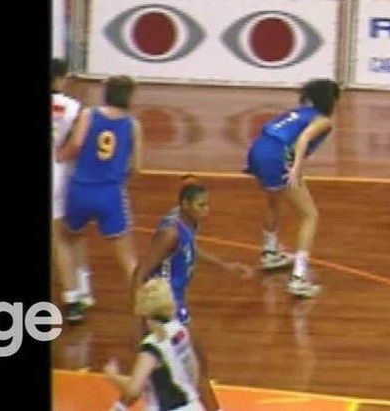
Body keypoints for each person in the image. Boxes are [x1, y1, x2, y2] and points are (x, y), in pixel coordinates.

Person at [133, 177, 253, 411]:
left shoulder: (187, 224)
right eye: (201, 205)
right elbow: (139, 272)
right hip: (165, 304)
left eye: (208, 205)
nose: (206, 211)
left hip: (175, 301)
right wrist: (138, 317)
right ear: (185, 205)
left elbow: (190, 250)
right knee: (195, 363)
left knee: (191, 365)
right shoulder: (170, 233)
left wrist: (225, 265)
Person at [57, 75, 143, 323]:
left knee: (69, 237)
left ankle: (78, 295)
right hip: (110, 192)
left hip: (80, 188)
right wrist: (118, 174)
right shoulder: (132, 124)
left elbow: (76, 143)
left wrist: (61, 155)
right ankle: (148, 310)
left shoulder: (88, 115)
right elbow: (137, 166)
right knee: (128, 258)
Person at [244, 79, 341, 297]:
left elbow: (280, 133)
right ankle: (298, 277)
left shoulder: (299, 111)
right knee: (310, 216)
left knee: (273, 199)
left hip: (258, 149)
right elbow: (303, 139)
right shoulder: (323, 120)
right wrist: (296, 168)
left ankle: (270, 251)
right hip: (276, 156)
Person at [104, 278, 201, 411]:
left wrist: (113, 376)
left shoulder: (152, 346)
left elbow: (134, 390)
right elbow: (194, 368)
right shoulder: (180, 330)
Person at [51, 58, 94, 322]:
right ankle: (80, 293)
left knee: (60, 238)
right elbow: (79, 143)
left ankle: (72, 297)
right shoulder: (74, 108)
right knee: (69, 234)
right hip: (61, 173)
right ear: (60, 78)